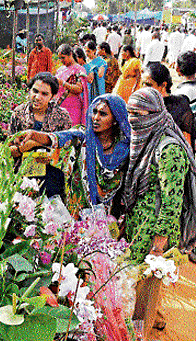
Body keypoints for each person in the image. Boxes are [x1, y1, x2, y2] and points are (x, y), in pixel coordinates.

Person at [122, 88, 196, 340]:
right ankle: (147, 320)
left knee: (147, 290)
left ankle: (141, 332)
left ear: (154, 114)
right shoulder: (147, 139)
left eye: (138, 113)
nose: (132, 118)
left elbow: (172, 203)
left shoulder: (168, 149)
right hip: (140, 226)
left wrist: (158, 245)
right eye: (129, 112)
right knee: (141, 286)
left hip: (155, 234)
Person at [13, 94, 131, 219]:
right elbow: (58, 138)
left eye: (103, 114)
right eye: (94, 111)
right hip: (77, 213)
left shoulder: (125, 149)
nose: (95, 118)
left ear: (115, 119)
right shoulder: (83, 137)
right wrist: (33, 134)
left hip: (110, 215)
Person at [9, 72, 72, 197]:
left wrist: (51, 156)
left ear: (53, 96)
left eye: (44, 94)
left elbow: (69, 151)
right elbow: (8, 150)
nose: (37, 97)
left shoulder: (61, 116)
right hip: (23, 177)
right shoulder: (19, 113)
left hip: (53, 178)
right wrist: (23, 149)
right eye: (35, 91)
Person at [141, 62, 195, 151]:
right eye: (142, 84)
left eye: (148, 85)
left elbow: (187, 140)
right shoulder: (143, 106)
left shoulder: (180, 104)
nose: (144, 88)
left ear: (163, 85)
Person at [55, 44, 89, 126]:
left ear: (70, 54)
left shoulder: (78, 69)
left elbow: (79, 89)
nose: (61, 61)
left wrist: (63, 83)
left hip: (73, 107)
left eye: (63, 57)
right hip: (60, 106)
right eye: (60, 58)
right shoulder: (61, 69)